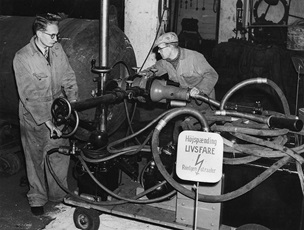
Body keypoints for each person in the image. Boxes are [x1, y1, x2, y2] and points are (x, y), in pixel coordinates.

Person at [13, 13, 78, 216]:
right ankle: (37, 198)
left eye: (57, 35)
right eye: (52, 35)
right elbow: (28, 95)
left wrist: (73, 106)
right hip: (33, 115)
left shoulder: (57, 49)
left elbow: (68, 76)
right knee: (35, 158)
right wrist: (48, 122)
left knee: (59, 153)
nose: (55, 39)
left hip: (57, 108)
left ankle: (59, 195)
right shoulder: (23, 57)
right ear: (39, 33)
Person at [139, 32, 218, 139]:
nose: (158, 51)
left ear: (170, 46)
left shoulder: (194, 57)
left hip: (203, 101)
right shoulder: (165, 63)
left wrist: (199, 89)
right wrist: (141, 75)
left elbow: (212, 75)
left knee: (201, 131)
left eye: (160, 48)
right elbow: (152, 70)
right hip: (186, 99)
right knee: (180, 129)